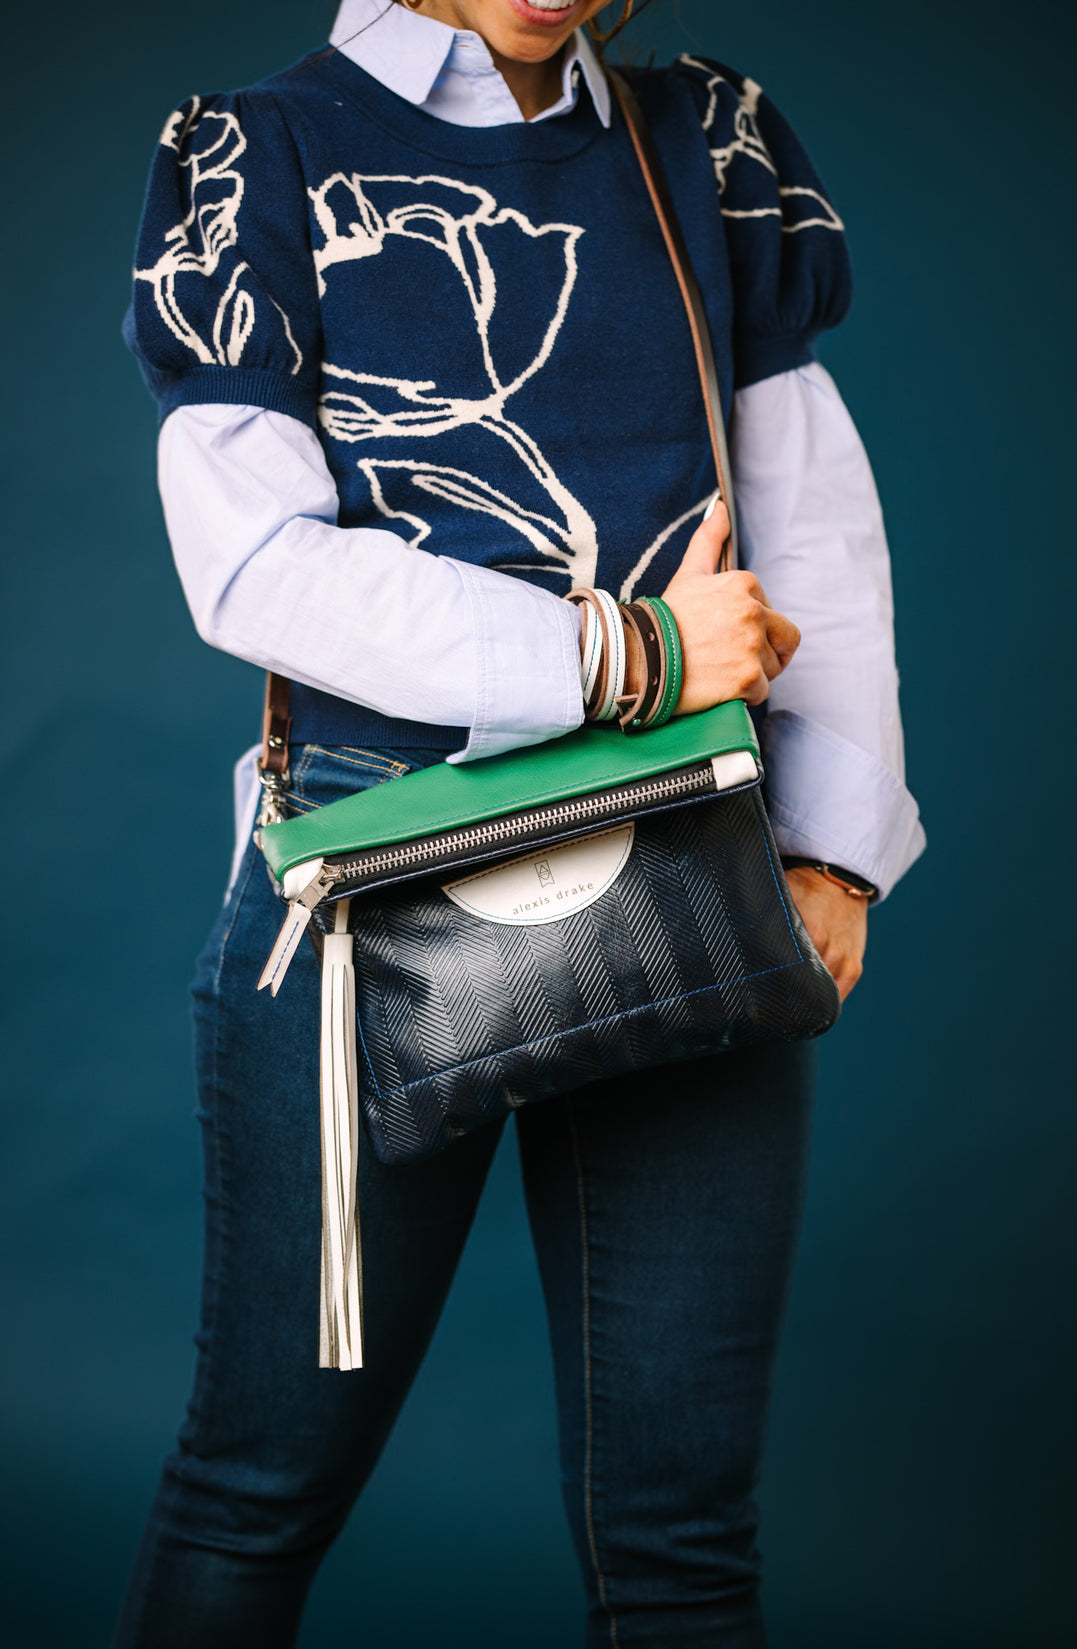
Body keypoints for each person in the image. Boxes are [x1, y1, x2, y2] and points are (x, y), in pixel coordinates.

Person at [113, 2, 925, 1644]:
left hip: (696, 855)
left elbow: (810, 521)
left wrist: (836, 845)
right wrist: (624, 655)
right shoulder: (257, 152)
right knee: (257, 1488)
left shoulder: (703, 140)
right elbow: (256, 568)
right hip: (365, 894)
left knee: (683, 1538)